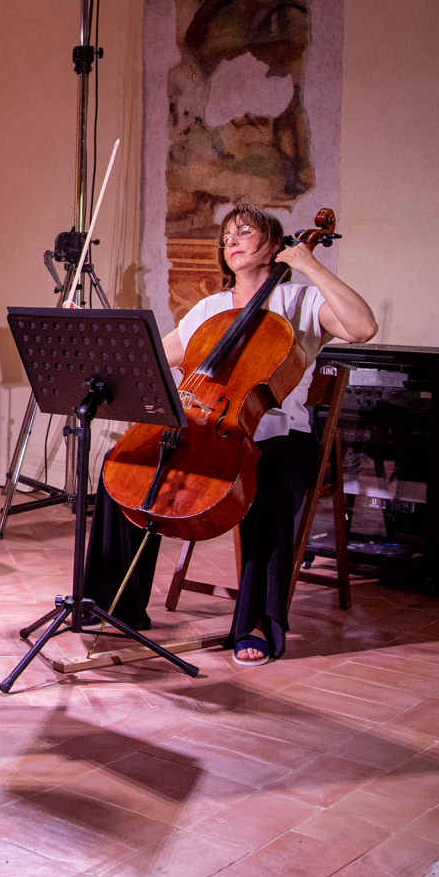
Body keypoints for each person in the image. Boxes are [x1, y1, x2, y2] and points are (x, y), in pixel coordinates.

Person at [88, 205, 377, 663]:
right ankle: (110, 604)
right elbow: (151, 362)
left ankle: (257, 621)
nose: (232, 241)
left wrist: (309, 264)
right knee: (124, 467)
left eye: (245, 231)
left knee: (272, 480)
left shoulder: (299, 301)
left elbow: (363, 327)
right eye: (227, 236)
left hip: (280, 439)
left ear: (275, 243)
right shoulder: (210, 309)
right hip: (207, 430)